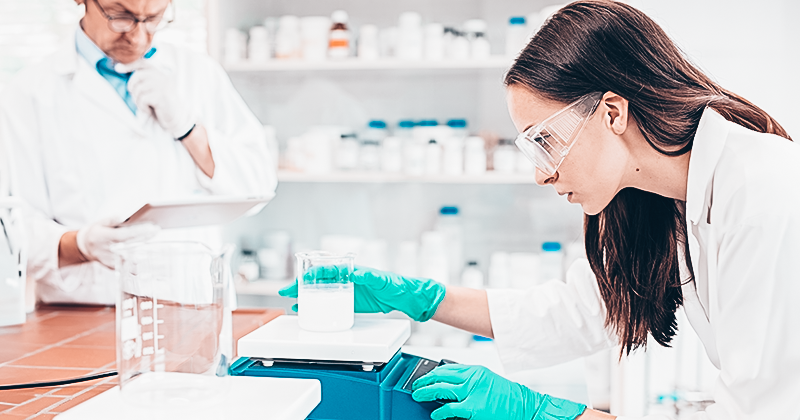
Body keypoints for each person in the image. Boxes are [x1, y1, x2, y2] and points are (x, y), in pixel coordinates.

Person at [281, 1, 800, 419]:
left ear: (613, 112)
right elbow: (580, 309)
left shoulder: (764, 196)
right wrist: (420, 298)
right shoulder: (669, 199)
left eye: (546, 141)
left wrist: (546, 414)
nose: (541, 173)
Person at [0, 0, 276, 304]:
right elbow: (11, 229)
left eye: (154, 18)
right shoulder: (29, 93)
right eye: (121, 16)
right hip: (84, 308)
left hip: (190, 304)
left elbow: (258, 186)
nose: (139, 36)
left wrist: (188, 127)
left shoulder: (198, 73)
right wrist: (79, 245)